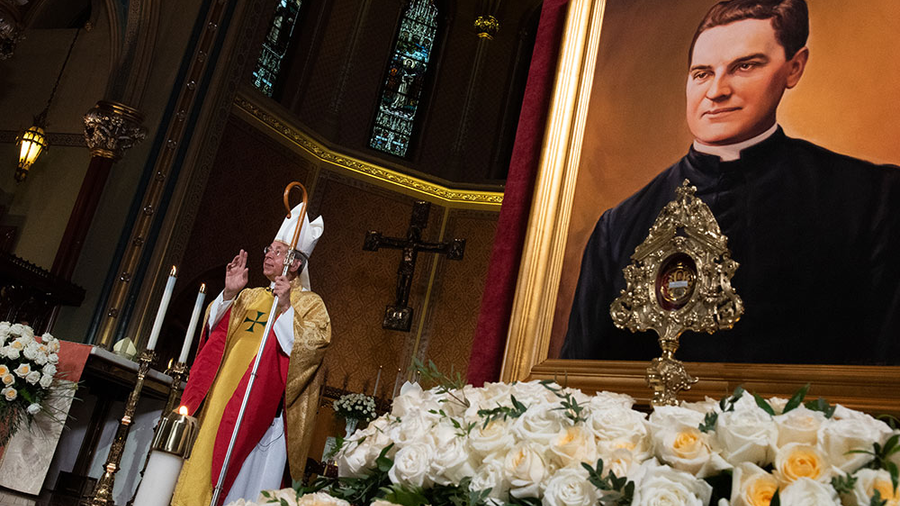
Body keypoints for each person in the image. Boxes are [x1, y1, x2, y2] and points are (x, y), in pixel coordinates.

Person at [561, 0, 900, 365]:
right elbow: (581, 381)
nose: (717, 91)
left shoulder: (872, 199)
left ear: (794, 67)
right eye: (702, 73)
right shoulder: (620, 225)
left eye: (744, 67)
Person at [172, 210, 329, 506]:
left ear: (295, 263)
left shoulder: (310, 304)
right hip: (221, 397)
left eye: (278, 251)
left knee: (238, 481)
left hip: (260, 411)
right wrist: (229, 294)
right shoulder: (251, 296)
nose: (268, 254)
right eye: (268, 249)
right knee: (205, 458)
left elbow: (311, 348)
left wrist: (285, 308)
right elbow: (214, 334)